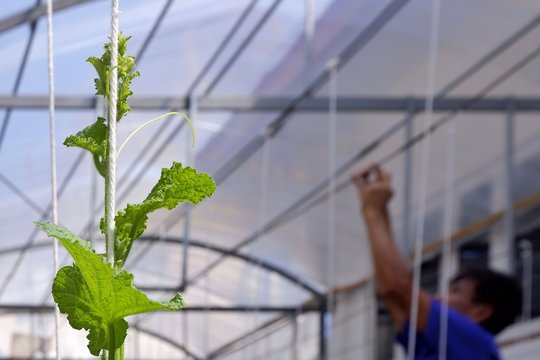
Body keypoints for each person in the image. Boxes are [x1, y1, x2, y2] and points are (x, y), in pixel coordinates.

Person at [352, 164, 522, 360]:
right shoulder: (437, 347)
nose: (439, 298)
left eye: (455, 292)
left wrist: (372, 212)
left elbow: (396, 288)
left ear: (480, 312)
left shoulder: (477, 343)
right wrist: (378, 210)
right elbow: (394, 298)